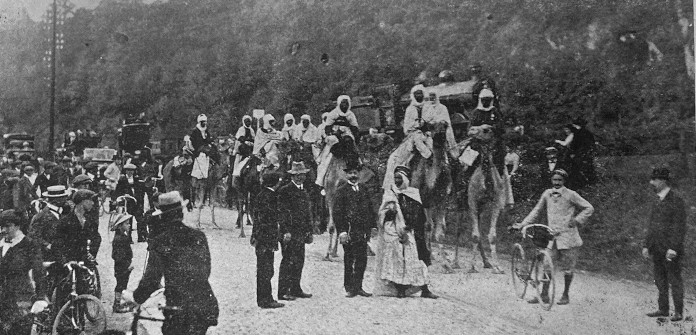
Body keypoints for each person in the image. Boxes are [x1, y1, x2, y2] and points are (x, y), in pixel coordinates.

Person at [124, 191, 219, 335]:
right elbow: (206, 270)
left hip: (177, 307)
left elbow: (151, 279)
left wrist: (137, 297)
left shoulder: (160, 242)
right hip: (204, 303)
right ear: (181, 213)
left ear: (162, 217)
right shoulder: (199, 236)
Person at [512, 169, 594, 305]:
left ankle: (565, 295)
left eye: (559, 180)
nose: (557, 183)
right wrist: (523, 224)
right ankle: (544, 295)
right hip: (552, 236)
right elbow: (536, 210)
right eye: (554, 180)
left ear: (564, 181)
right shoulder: (547, 194)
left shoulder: (571, 194)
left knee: (568, 267)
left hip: (568, 237)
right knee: (546, 265)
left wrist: (577, 220)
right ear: (551, 180)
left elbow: (589, 208)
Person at [373, 166, 431, 298]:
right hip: (397, 231)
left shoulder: (414, 193)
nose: (397, 181)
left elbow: (420, 213)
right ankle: (400, 289)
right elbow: (382, 214)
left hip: (414, 231)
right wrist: (390, 214)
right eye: (395, 178)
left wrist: (419, 225)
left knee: (419, 260)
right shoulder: (391, 194)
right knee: (399, 260)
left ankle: (425, 289)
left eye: (400, 178)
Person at [643, 167, 685, 322]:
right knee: (660, 279)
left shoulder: (676, 200)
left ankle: (679, 312)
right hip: (657, 247)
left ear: (662, 181)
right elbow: (651, 225)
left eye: (654, 180)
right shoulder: (656, 200)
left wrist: (673, 248)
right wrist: (646, 245)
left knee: (674, 279)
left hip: (670, 249)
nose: (651, 182)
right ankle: (663, 309)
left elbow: (679, 227)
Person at [0, 210, 48, 334]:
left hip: (21, 300)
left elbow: (39, 272)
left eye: (7, 226)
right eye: (1, 226)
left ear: (17, 226)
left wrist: (40, 297)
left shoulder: (29, 245)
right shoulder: (1, 244)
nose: (3, 230)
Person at [333, 162, 376, 298]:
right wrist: (342, 232)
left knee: (362, 259)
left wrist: (373, 226)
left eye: (355, 173)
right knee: (349, 259)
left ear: (359, 174)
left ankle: (359, 287)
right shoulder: (341, 190)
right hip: (349, 231)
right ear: (346, 175)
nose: (353, 176)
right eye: (350, 173)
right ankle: (350, 287)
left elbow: (370, 209)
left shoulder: (364, 189)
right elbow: (337, 213)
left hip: (362, 231)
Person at [277, 161, 314, 301]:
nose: (300, 177)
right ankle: (283, 291)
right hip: (289, 233)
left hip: (301, 232)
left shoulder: (304, 191)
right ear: (292, 176)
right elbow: (282, 213)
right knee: (288, 260)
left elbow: (307, 214)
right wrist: (285, 231)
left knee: (299, 260)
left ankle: (295, 288)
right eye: (297, 175)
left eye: (302, 174)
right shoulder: (285, 191)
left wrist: (309, 231)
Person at [250, 171, 285, 309]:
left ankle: (264, 298)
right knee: (266, 270)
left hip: (261, 238)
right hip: (266, 239)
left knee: (264, 269)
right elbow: (266, 221)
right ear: (276, 182)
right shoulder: (270, 197)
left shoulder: (261, 195)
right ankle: (266, 299)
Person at [316, 95, 360, 187]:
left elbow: (355, 127)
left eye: (346, 103)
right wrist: (336, 133)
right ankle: (322, 176)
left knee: (349, 141)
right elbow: (327, 128)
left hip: (346, 133)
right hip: (334, 133)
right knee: (333, 145)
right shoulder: (333, 113)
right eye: (343, 103)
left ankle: (353, 161)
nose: (344, 105)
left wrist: (354, 136)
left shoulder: (350, 114)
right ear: (339, 103)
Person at [28, 185, 69, 262]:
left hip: (62, 255)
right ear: (55, 200)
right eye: (63, 197)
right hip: (48, 257)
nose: (66, 199)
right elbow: (34, 236)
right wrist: (48, 245)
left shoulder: (63, 212)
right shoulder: (41, 216)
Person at [115, 163, 146, 242]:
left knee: (140, 219)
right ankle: (129, 238)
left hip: (136, 202)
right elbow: (118, 191)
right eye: (128, 170)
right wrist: (121, 197)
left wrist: (139, 198)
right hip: (127, 203)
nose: (130, 172)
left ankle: (141, 236)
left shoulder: (137, 179)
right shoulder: (122, 179)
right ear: (126, 171)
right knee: (129, 220)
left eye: (132, 171)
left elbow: (141, 190)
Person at [111, 214, 134, 313]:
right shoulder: (121, 239)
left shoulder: (121, 236)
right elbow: (119, 256)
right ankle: (116, 305)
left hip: (121, 266)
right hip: (122, 267)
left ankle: (119, 302)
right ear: (120, 226)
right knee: (121, 285)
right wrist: (127, 265)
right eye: (127, 224)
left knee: (122, 284)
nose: (129, 226)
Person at [568, 117, 596, 188]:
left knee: (577, 169)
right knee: (588, 168)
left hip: (579, 154)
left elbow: (574, 145)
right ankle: (590, 183)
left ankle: (579, 184)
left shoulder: (577, 133)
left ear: (576, 125)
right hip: (587, 154)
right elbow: (592, 144)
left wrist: (572, 153)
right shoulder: (588, 133)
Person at [231, 115, 255, 182]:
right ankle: (235, 177)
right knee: (237, 164)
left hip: (249, 150)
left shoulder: (251, 130)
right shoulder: (241, 129)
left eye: (249, 122)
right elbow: (240, 138)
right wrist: (245, 141)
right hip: (241, 150)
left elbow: (253, 139)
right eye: (246, 121)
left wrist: (251, 142)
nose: (248, 123)